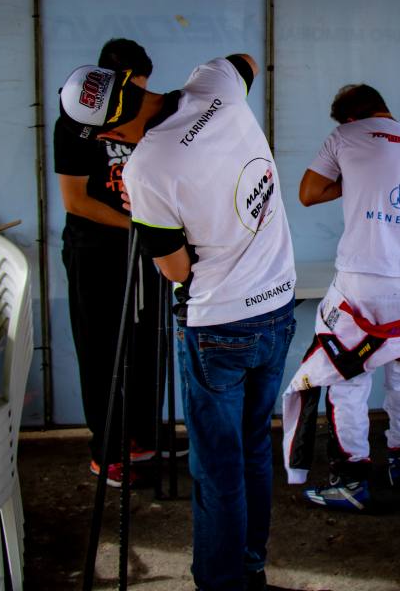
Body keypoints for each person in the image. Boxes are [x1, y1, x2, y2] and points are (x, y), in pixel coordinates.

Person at [59, 52, 296, 591]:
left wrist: (151, 210)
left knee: (217, 466)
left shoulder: (147, 168)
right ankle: (251, 567)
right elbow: (246, 61)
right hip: (278, 307)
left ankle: (221, 583)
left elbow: (176, 269)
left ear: (108, 133)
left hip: (220, 325)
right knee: (254, 447)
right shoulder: (216, 84)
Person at [281, 84, 400, 511]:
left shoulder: (345, 136)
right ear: (383, 108)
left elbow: (309, 193)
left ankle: (351, 480)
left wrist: (354, 181)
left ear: (350, 118)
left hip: (362, 281)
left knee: (347, 380)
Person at [55, 37, 160, 488]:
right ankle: (106, 449)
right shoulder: (76, 121)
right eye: (132, 92)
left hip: (141, 249)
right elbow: (75, 201)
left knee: (145, 344)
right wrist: (136, 225)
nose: (137, 102)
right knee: (101, 351)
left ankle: (140, 437)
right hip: (94, 252)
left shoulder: (147, 117)